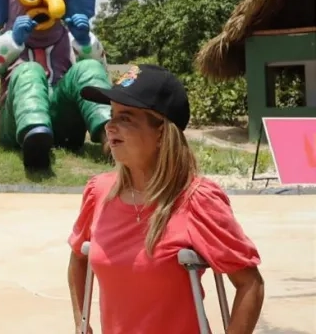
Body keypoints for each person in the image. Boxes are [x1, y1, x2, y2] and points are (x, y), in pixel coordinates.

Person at [66, 64, 265, 334]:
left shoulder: (196, 200)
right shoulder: (98, 192)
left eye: (125, 117)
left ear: (161, 132)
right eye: (111, 115)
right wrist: (82, 323)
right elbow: (79, 259)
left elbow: (250, 284)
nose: (110, 126)